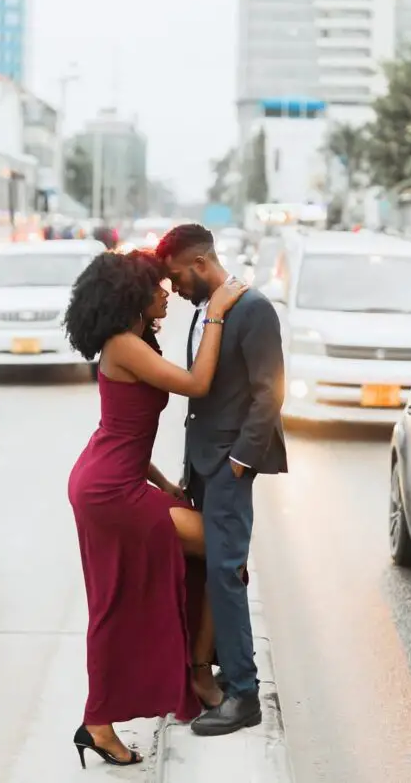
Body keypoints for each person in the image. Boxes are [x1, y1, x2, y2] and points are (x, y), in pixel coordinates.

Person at [64, 249, 247, 769]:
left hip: (114, 478)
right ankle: (112, 715)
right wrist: (215, 313)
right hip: (110, 490)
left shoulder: (134, 340)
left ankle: (191, 671)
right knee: (213, 553)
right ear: (132, 295)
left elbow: (125, 430)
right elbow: (196, 384)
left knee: (132, 591)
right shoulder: (123, 344)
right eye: (157, 287)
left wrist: (166, 484)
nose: (167, 293)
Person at [156, 224, 288, 737]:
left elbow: (269, 392)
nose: (174, 289)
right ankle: (222, 675)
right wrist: (195, 468)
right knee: (216, 573)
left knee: (226, 575)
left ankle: (243, 694)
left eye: (176, 277)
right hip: (204, 466)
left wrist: (240, 460)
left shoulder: (253, 309)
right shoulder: (204, 311)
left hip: (229, 466)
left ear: (199, 263)